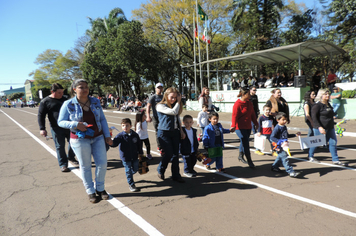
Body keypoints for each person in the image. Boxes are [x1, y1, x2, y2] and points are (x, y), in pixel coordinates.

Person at [58, 79, 111, 203]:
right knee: (86, 166)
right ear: (74, 89)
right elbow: (60, 122)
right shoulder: (68, 104)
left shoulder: (95, 101)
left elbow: (102, 119)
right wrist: (75, 124)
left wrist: (107, 135)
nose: (85, 89)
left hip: (97, 137)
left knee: (102, 164)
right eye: (81, 87)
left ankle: (100, 188)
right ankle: (90, 191)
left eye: (86, 87)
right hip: (79, 139)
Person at [38, 83, 78, 173]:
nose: (61, 94)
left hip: (69, 126)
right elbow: (41, 116)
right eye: (59, 92)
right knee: (60, 146)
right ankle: (63, 164)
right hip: (56, 128)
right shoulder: (45, 101)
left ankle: (71, 156)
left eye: (62, 92)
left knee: (74, 143)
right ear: (52, 92)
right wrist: (42, 128)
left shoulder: (66, 99)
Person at [156, 87, 185, 183]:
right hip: (164, 132)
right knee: (168, 153)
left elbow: (178, 118)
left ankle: (176, 175)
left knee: (175, 155)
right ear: (166, 96)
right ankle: (161, 169)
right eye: (172, 97)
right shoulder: (160, 106)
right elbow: (173, 112)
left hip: (175, 132)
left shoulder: (175, 106)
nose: (174, 99)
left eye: (176, 97)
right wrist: (179, 102)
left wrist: (181, 131)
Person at [308, 89, 345, 165]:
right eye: (325, 94)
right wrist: (319, 127)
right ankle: (310, 156)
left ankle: (335, 160)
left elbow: (329, 117)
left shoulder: (328, 104)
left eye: (328, 94)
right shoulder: (317, 105)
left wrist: (335, 123)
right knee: (317, 143)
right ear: (321, 95)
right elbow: (314, 118)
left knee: (333, 142)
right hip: (320, 128)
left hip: (330, 127)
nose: (327, 95)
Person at [111, 118, 143, 192]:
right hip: (125, 157)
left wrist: (140, 153)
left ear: (131, 126)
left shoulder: (135, 135)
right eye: (123, 125)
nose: (125, 127)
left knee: (135, 169)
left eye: (127, 125)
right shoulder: (120, 136)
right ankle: (131, 184)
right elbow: (114, 143)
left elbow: (139, 145)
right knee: (128, 170)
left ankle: (129, 176)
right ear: (121, 126)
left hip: (134, 156)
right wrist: (110, 142)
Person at [231, 88, 258, 168]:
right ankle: (250, 161)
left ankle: (240, 155)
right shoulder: (237, 104)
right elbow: (234, 116)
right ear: (244, 95)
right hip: (239, 127)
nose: (250, 95)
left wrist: (256, 123)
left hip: (248, 127)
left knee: (244, 141)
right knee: (246, 143)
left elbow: (252, 114)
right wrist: (233, 125)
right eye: (249, 94)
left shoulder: (249, 103)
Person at [270, 112, 301, 177]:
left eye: (285, 120)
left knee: (280, 156)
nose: (285, 121)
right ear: (278, 120)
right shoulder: (277, 128)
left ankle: (275, 166)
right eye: (283, 120)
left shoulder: (284, 127)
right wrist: (280, 141)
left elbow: (286, 135)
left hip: (283, 145)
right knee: (285, 158)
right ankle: (291, 172)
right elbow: (272, 137)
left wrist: (295, 135)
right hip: (278, 146)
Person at [146, 83, 164, 150]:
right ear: (155, 89)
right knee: (158, 132)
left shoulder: (164, 97)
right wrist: (148, 116)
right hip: (156, 117)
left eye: (161, 87)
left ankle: (164, 145)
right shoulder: (153, 97)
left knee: (164, 132)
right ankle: (160, 147)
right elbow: (148, 106)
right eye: (158, 88)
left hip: (163, 117)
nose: (159, 89)